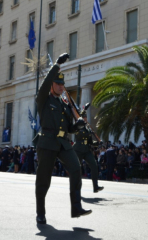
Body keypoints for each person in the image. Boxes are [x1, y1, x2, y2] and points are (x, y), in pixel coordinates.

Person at [34, 53, 90, 226]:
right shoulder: (43, 99)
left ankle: (76, 206)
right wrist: (57, 65)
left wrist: (78, 125)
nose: (60, 86)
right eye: (57, 83)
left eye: (62, 84)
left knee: (75, 168)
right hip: (47, 142)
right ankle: (40, 213)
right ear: (51, 84)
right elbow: (44, 86)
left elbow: (68, 128)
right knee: (44, 180)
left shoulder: (63, 105)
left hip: (63, 143)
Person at [74, 109, 104, 193]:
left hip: (86, 150)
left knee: (94, 165)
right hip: (78, 150)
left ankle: (95, 186)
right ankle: (77, 188)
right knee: (77, 169)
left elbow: (90, 141)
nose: (85, 119)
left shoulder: (87, 127)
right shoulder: (78, 126)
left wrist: (98, 143)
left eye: (86, 117)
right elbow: (79, 136)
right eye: (83, 117)